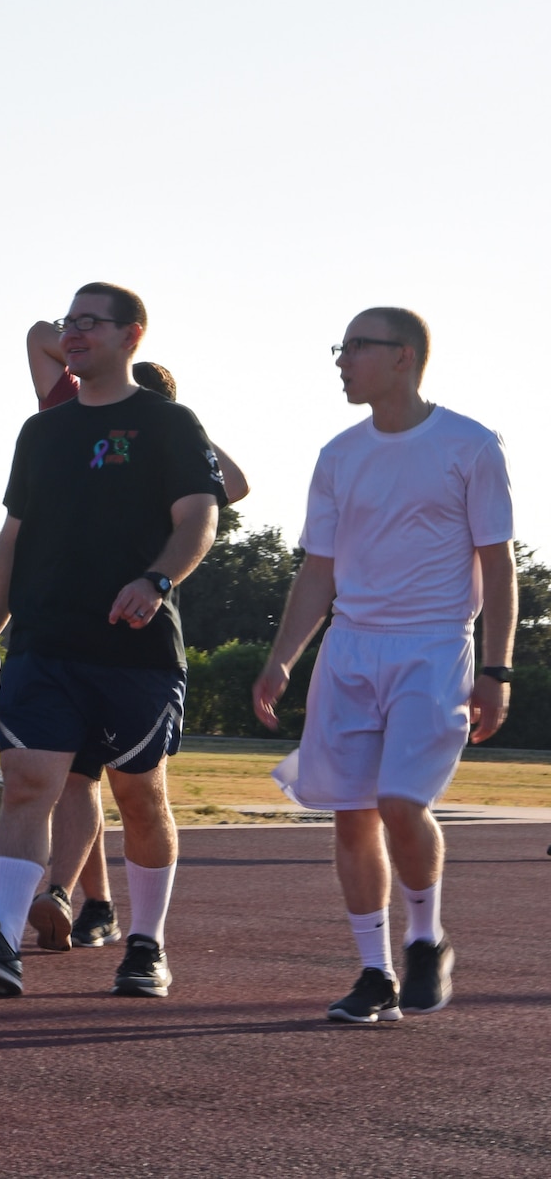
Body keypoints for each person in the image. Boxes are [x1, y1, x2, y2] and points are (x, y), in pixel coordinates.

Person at [0, 284, 228, 998]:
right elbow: (12, 541)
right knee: (28, 784)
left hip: (134, 650)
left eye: (91, 323)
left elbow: (200, 519)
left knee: (140, 796)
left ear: (133, 335)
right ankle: (0, 939)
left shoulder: (169, 423)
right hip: (42, 643)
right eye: (70, 323)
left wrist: (156, 581)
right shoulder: (42, 432)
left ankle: (147, 943)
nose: (75, 334)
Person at [252, 309, 513, 1024]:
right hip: (351, 646)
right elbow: (318, 568)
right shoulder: (338, 454)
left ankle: (425, 937)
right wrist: (283, 660)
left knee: (402, 801)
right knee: (352, 816)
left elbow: (498, 561)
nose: (342, 360)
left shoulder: (470, 445)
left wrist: (497, 669)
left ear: (403, 357)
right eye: (342, 347)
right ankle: (375, 973)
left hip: (432, 645)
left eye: (356, 347)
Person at [22, 338, 252, 951]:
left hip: (133, 639)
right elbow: (38, 335)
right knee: (76, 781)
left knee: (125, 786)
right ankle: (83, 899)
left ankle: (107, 914)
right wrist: (104, 349)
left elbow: (236, 484)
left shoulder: (170, 439)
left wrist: (178, 422)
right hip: (62, 633)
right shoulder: (71, 414)